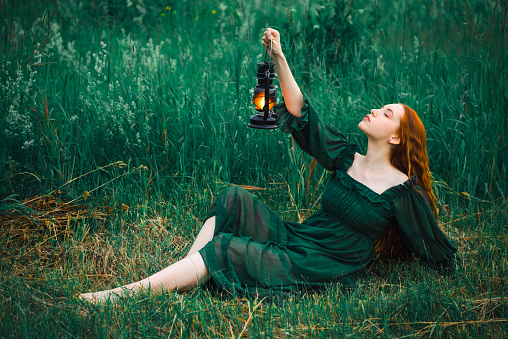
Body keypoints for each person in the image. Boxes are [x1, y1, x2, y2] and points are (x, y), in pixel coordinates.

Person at [79, 28, 459, 304]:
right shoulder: (346, 157)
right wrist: (278, 56)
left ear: (396, 137)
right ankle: (186, 273)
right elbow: (299, 111)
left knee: (227, 248)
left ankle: (119, 297)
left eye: (387, 113)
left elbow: (431, 245)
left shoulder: (401, 191)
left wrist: (440, 266)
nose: (375, 110)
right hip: (299, 238)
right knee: (232, 199)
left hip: (322, 266)